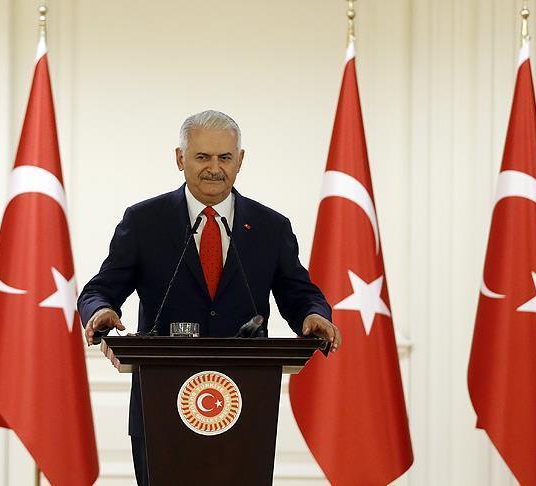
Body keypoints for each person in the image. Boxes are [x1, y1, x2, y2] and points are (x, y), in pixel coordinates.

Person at [77, 110, 340, 485]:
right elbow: (100, 289)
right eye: (202, 157)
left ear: (240, 160)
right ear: (180, 158)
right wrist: (101, 310)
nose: (214, 168)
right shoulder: (145, 221)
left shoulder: (270, 227)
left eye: (225, 157)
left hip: (245, 408)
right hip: (161, 409)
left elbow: (299, 294)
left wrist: (314, 315)